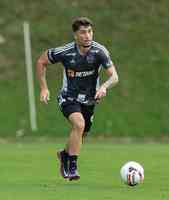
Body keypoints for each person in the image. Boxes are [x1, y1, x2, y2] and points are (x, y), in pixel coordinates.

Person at [36, 17, 119, 181]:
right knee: (79, 124)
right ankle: (72, 167)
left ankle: (64, 154)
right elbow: (41, 61)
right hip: (68, 97)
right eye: (83, 32)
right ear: (75, 35)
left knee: (81, 133)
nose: (87, 35)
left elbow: (114, 76)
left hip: (89, 100)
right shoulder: (65, 52)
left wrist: (104, 87)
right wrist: (44, 88)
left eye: (90, 31)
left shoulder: (99, 51)